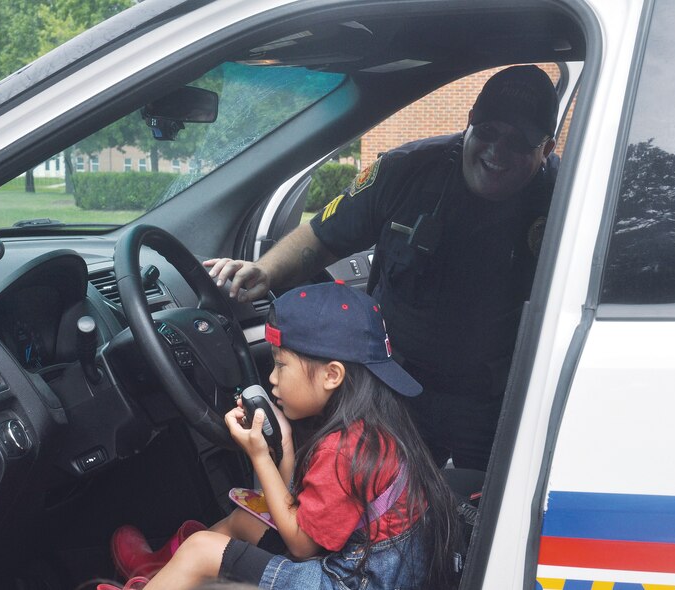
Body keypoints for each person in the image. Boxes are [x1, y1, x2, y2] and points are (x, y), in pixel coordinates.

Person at [204, 64, 559, 471]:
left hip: (492, 400)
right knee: (377, 499)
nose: (497, 151)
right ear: (469, 124)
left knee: (481, 509)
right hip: (397, 386)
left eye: (518, 142)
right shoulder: (404, 171)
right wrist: (265, 272)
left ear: (546, 148)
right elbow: (322, 236)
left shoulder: (567, 199)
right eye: (489, 132)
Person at [105, 282, 463, 589]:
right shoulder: (368, 427)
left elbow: (302, 546)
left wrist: (261, 456)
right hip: (363, 565)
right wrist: (286, 443)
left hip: (348, 580)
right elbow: (305, 511)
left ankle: (173, 573)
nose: (272, 377)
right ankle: (159, 576)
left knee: (202, 549)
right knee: (243, 521)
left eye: (280, 363)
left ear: (332, 375)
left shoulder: (345, 451)